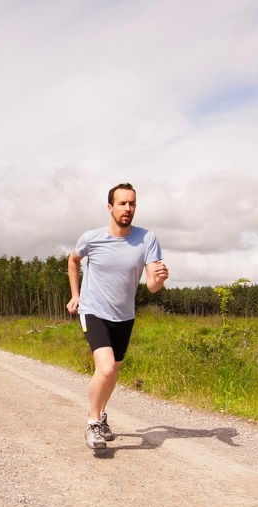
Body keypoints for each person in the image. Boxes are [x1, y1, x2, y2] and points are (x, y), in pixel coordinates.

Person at [67, 182, 169, 449]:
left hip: (124, 315)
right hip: (94, 311)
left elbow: (151, 286)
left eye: (132, 203)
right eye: (122, 203)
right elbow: (73, 260)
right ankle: (92, 423)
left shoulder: (147, 239)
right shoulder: (92, 238)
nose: (128, 208)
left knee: (112, 374)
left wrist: (159, 280)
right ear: (110, 207)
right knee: (106, 367)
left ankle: (101, 416)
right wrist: (76, 295)